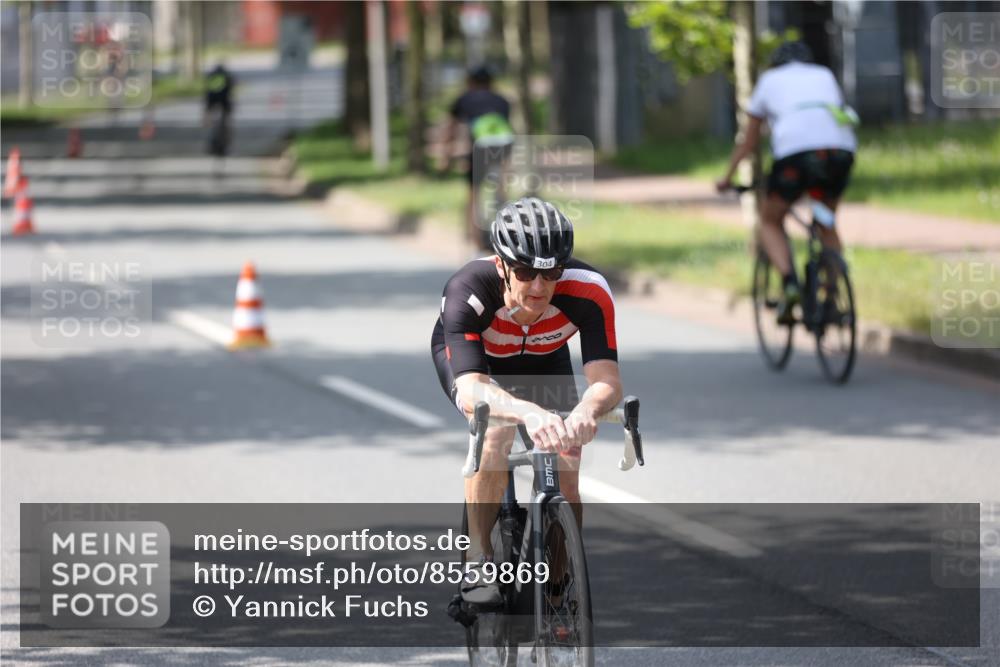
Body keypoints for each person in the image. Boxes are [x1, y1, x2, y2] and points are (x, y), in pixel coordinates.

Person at [431, 197, 622, 605]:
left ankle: (557, 587)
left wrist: (587, 411)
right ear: (501, 265)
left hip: (543, 356)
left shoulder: (588, 292)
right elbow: (471, 388)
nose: (539, 287)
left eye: (551, 272)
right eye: (524, 272)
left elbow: (606, 380)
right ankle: (478, 559)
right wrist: (527, 412)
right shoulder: (467, 291)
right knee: (495, 431)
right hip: (479, 365)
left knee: (567, 461)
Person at [717, 41, 857, 323]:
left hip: (796, 155)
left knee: (770, 221)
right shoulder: (824, 74)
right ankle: (831, 296)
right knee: (826, 220)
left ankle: (790, 284)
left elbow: (750, 141)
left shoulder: (768, 80)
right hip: (839, 151)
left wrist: (727, 178)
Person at [441, 66, 514, 251]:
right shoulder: (502, 100)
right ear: (491, 83)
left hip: (480, 148)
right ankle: (506, 239)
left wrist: (446, 157)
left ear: (470, 83)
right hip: (503, 147)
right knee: (501, 193)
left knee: (474, 195)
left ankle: (477, 244)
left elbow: (451, 129)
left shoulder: (464, 99)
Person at [204, 62, 236, 167]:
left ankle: (210, 144)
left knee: (209, 122)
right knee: (227, 122)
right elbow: (231, 89)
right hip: (224, 101)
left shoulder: (211, 76)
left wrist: (206, 111)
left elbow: (207, 92)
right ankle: (227, 144)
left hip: (212, 101)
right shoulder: (226, 76)